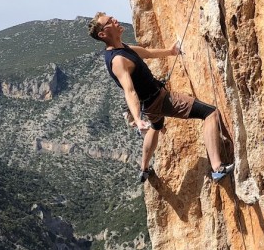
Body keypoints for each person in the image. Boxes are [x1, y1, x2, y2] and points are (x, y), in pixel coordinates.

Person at [89, 11, 232, 183]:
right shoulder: (118, 60)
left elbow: (146, 53)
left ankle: (144, 168)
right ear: (103, 34)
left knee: (156, 126)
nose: (115, 20)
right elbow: (129, 90)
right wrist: (137, 118)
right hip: (160, 100)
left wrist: (171, 52)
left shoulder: (122, 49)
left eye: (112, 18)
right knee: (211, 113)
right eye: (109, 22)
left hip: (149, 104)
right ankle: (217, 168)